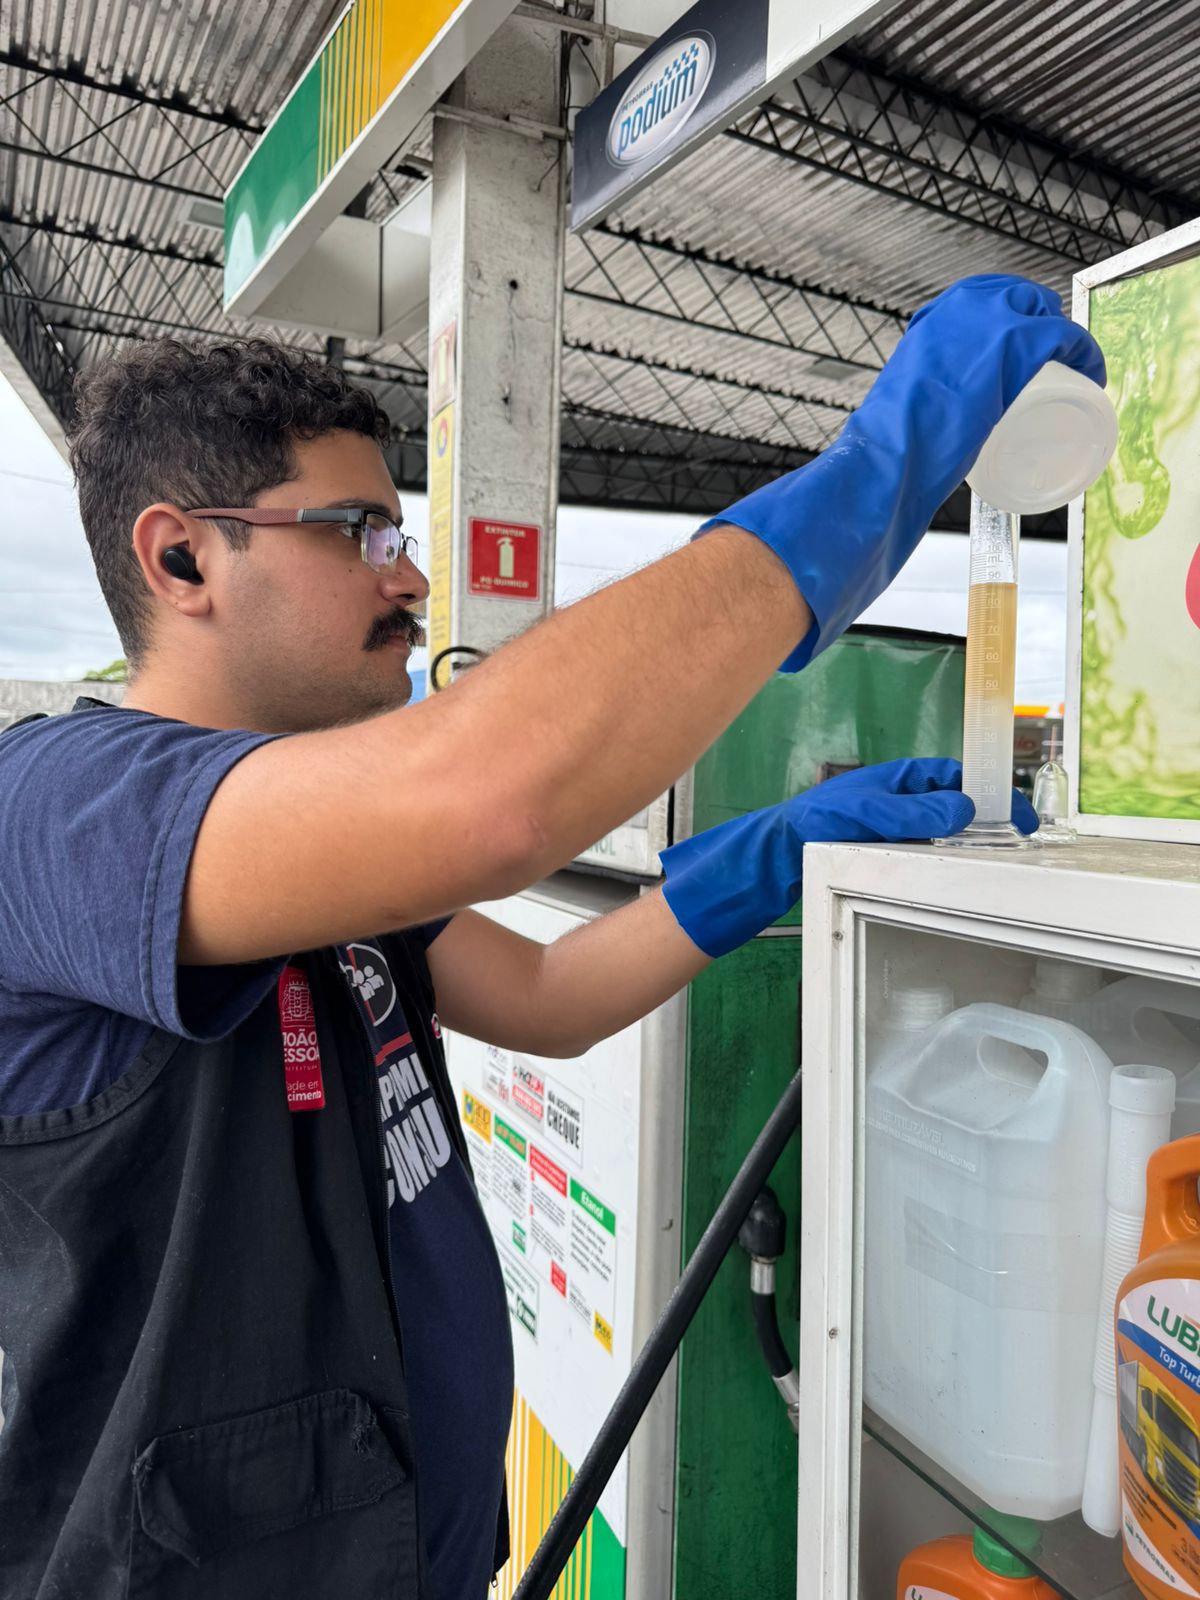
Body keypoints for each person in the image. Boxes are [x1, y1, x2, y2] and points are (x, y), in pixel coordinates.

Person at [0, 275, 1099, 1600]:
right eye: (357, 532)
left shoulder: (306, 843)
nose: (409, 574)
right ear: (180, 558)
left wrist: (775, 855)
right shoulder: (61, 805)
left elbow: (545, 991)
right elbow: (489, 798)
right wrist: (875, 473)